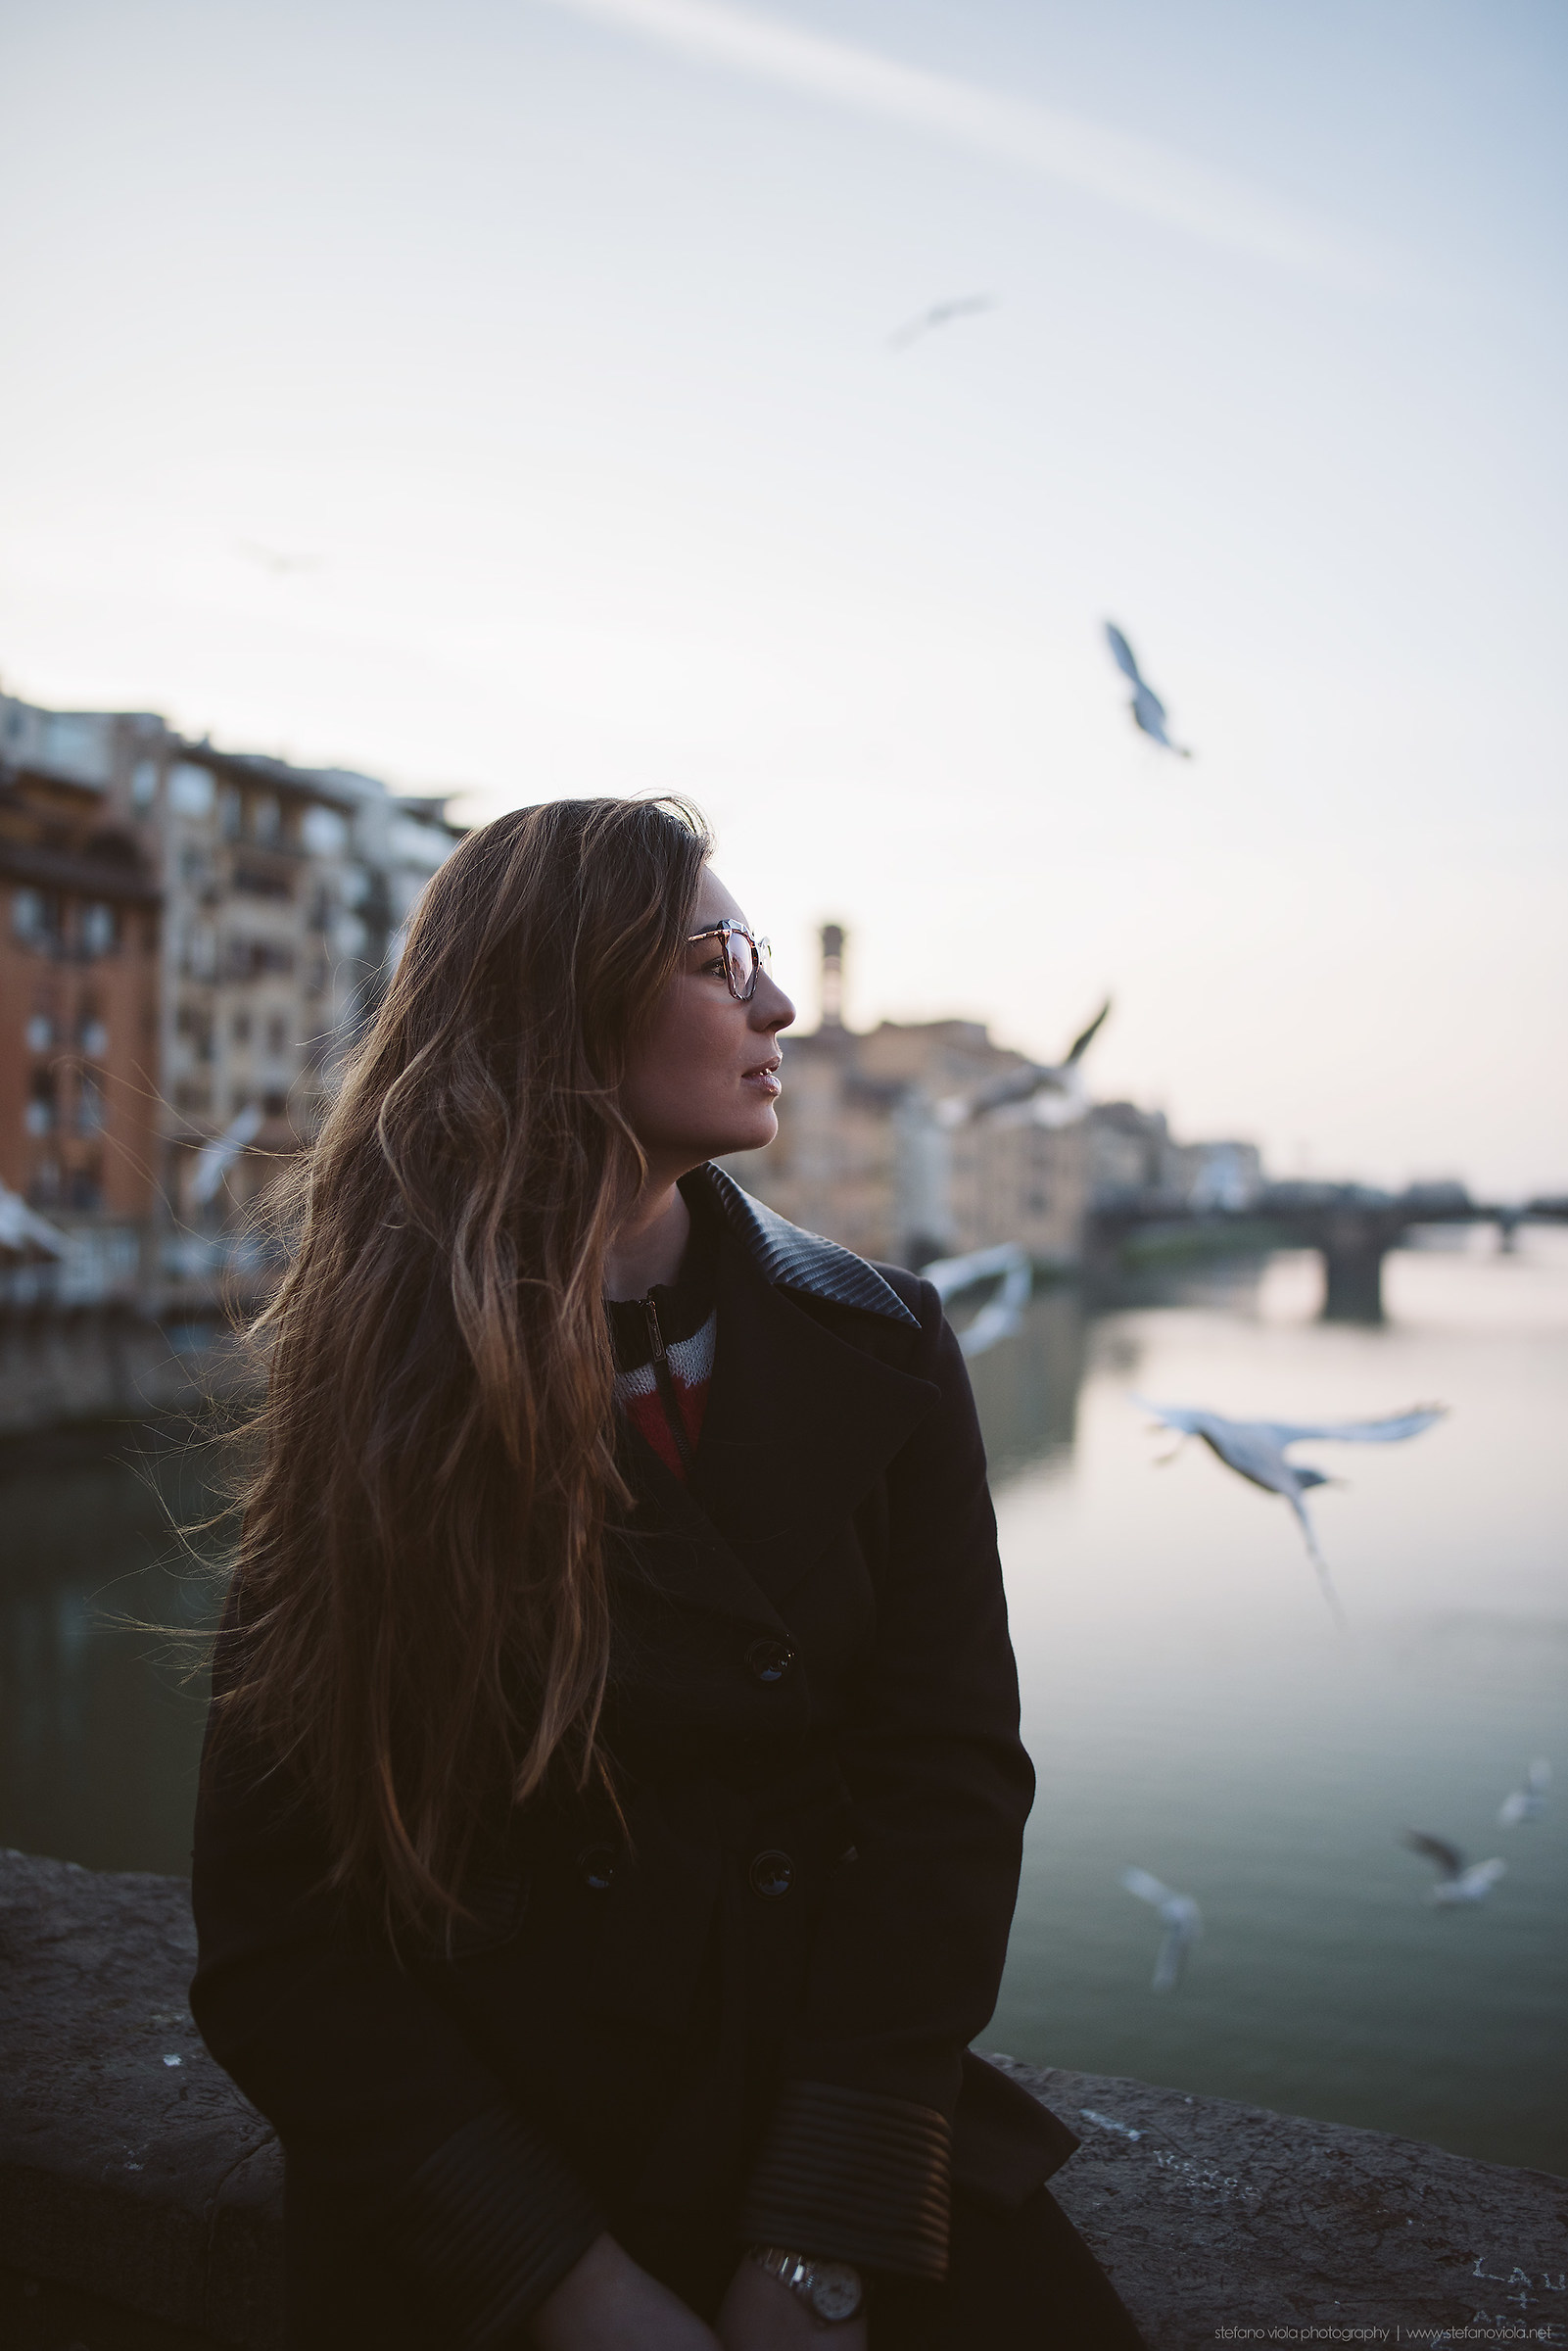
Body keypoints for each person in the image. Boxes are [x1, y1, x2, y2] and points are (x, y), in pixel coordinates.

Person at [189, 796, 1146, 2349]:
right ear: (561, 1005)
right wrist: (565, 2285)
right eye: (716, 959)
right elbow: (280, 1933)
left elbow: (945, 1798)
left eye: (759, 957)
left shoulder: (883, 1341)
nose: (771, 1004)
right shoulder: (371, 1377)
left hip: (815, 2122)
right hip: (499, 2185)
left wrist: (820, 2238)